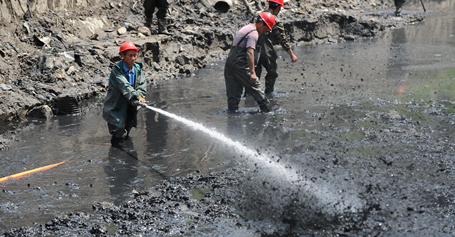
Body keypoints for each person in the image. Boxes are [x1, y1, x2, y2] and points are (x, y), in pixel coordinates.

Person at [224, 12, 275, 113]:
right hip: (240, 64)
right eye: (266, 28)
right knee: (257, 88)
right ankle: (268, 112)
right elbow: (249, 53)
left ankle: (232, 119)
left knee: (233, 94)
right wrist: (252, 73)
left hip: (230, 63)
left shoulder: (247, 27)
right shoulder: (253, 33)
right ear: (261, 23)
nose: (266, 31)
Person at [247, 0, 297, 96]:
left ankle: (250, 94)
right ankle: (269, 93)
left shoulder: (258, 15)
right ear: (278, 7)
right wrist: (291, 54)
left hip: (252, 48)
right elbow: (282, 39)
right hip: (266, 49)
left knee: (254, 72)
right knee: (273, 71)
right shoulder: (275, 20)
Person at [103, 41, 147, 144]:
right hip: (117, 102)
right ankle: (116, 150)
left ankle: (126, 147)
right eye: (130, 55)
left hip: (130, 102)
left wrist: (139, 97)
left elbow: (142, 84)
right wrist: (137, 95)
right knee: (118, 126)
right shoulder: (117, 70)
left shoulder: (137, 69)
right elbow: (124, 86)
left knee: (129, 123)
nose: (133, 58)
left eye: (135, 55)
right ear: (122, 56)